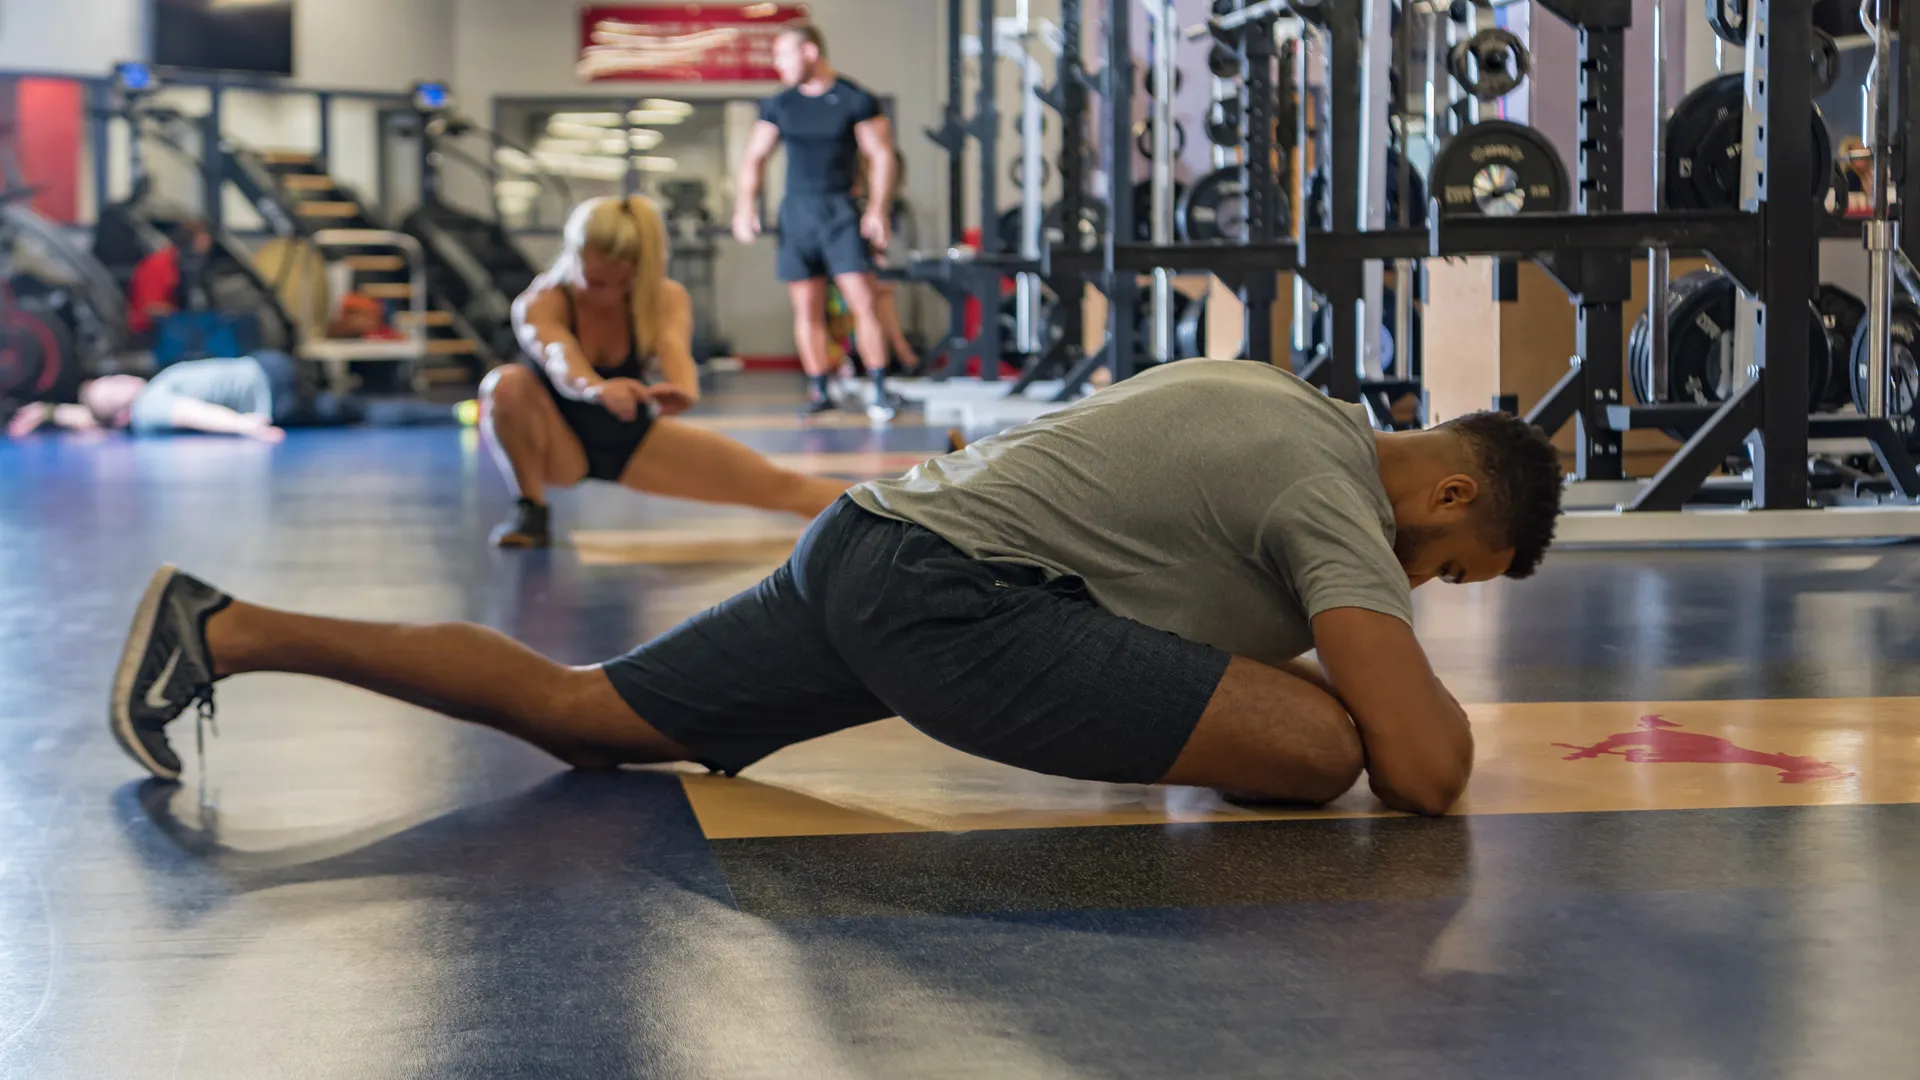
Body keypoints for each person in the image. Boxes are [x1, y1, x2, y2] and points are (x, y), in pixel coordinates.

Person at [108, 359, 1564, 817]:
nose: (1424, 585)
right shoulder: (1333, 497)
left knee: (584, 715)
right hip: (949, 601)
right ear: (1446, 494)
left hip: (866, 547)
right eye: (1449, 564)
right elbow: (1420, 769)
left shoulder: (1275, 399)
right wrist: (1387, 699)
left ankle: (223, 625)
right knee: (1315, 751)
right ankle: (224, 627)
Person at [479, 195, 855, 549]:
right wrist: (596, 389)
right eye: (595, 282)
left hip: (629, 435)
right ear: (573, 254)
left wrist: (682, 390)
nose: (607, 295)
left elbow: (676, 354)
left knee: (781, 486)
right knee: (505, 385)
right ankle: (530, 509)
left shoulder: (665, 297)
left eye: (622, 284)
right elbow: (560, 356)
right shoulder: (540, 301)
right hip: (553, 443)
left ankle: (899, 513)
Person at [733, 23, 903, 421]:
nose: (778, 65)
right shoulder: (780, 105)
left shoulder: (853, 99)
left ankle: (878, 389)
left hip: (841, 211)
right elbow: (754, 158)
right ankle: (820, 392)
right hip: (797, 213)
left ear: (810, 52)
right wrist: (745, 207)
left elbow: (881, 156)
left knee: (863, 300)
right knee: (806, 308)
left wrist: (877, 209)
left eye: (783, 55)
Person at [3, 351, 451, 442]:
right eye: (114, 387)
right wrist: (246, 427)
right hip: (271, 391)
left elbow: (93, 417)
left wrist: (50, 411)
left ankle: (452, 413)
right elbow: (192, 412)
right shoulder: (150, 406)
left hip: (268, 373)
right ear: (121, 412)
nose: (122, 378)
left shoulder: (138, 402)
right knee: (355, 410)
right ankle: (454, 413)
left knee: (354, 409)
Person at [126, 217, 214, 342]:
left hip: (175, 328)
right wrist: (183, 318)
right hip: (151, 333)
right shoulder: (159, 265)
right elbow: (150, 308)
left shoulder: (183, 265)